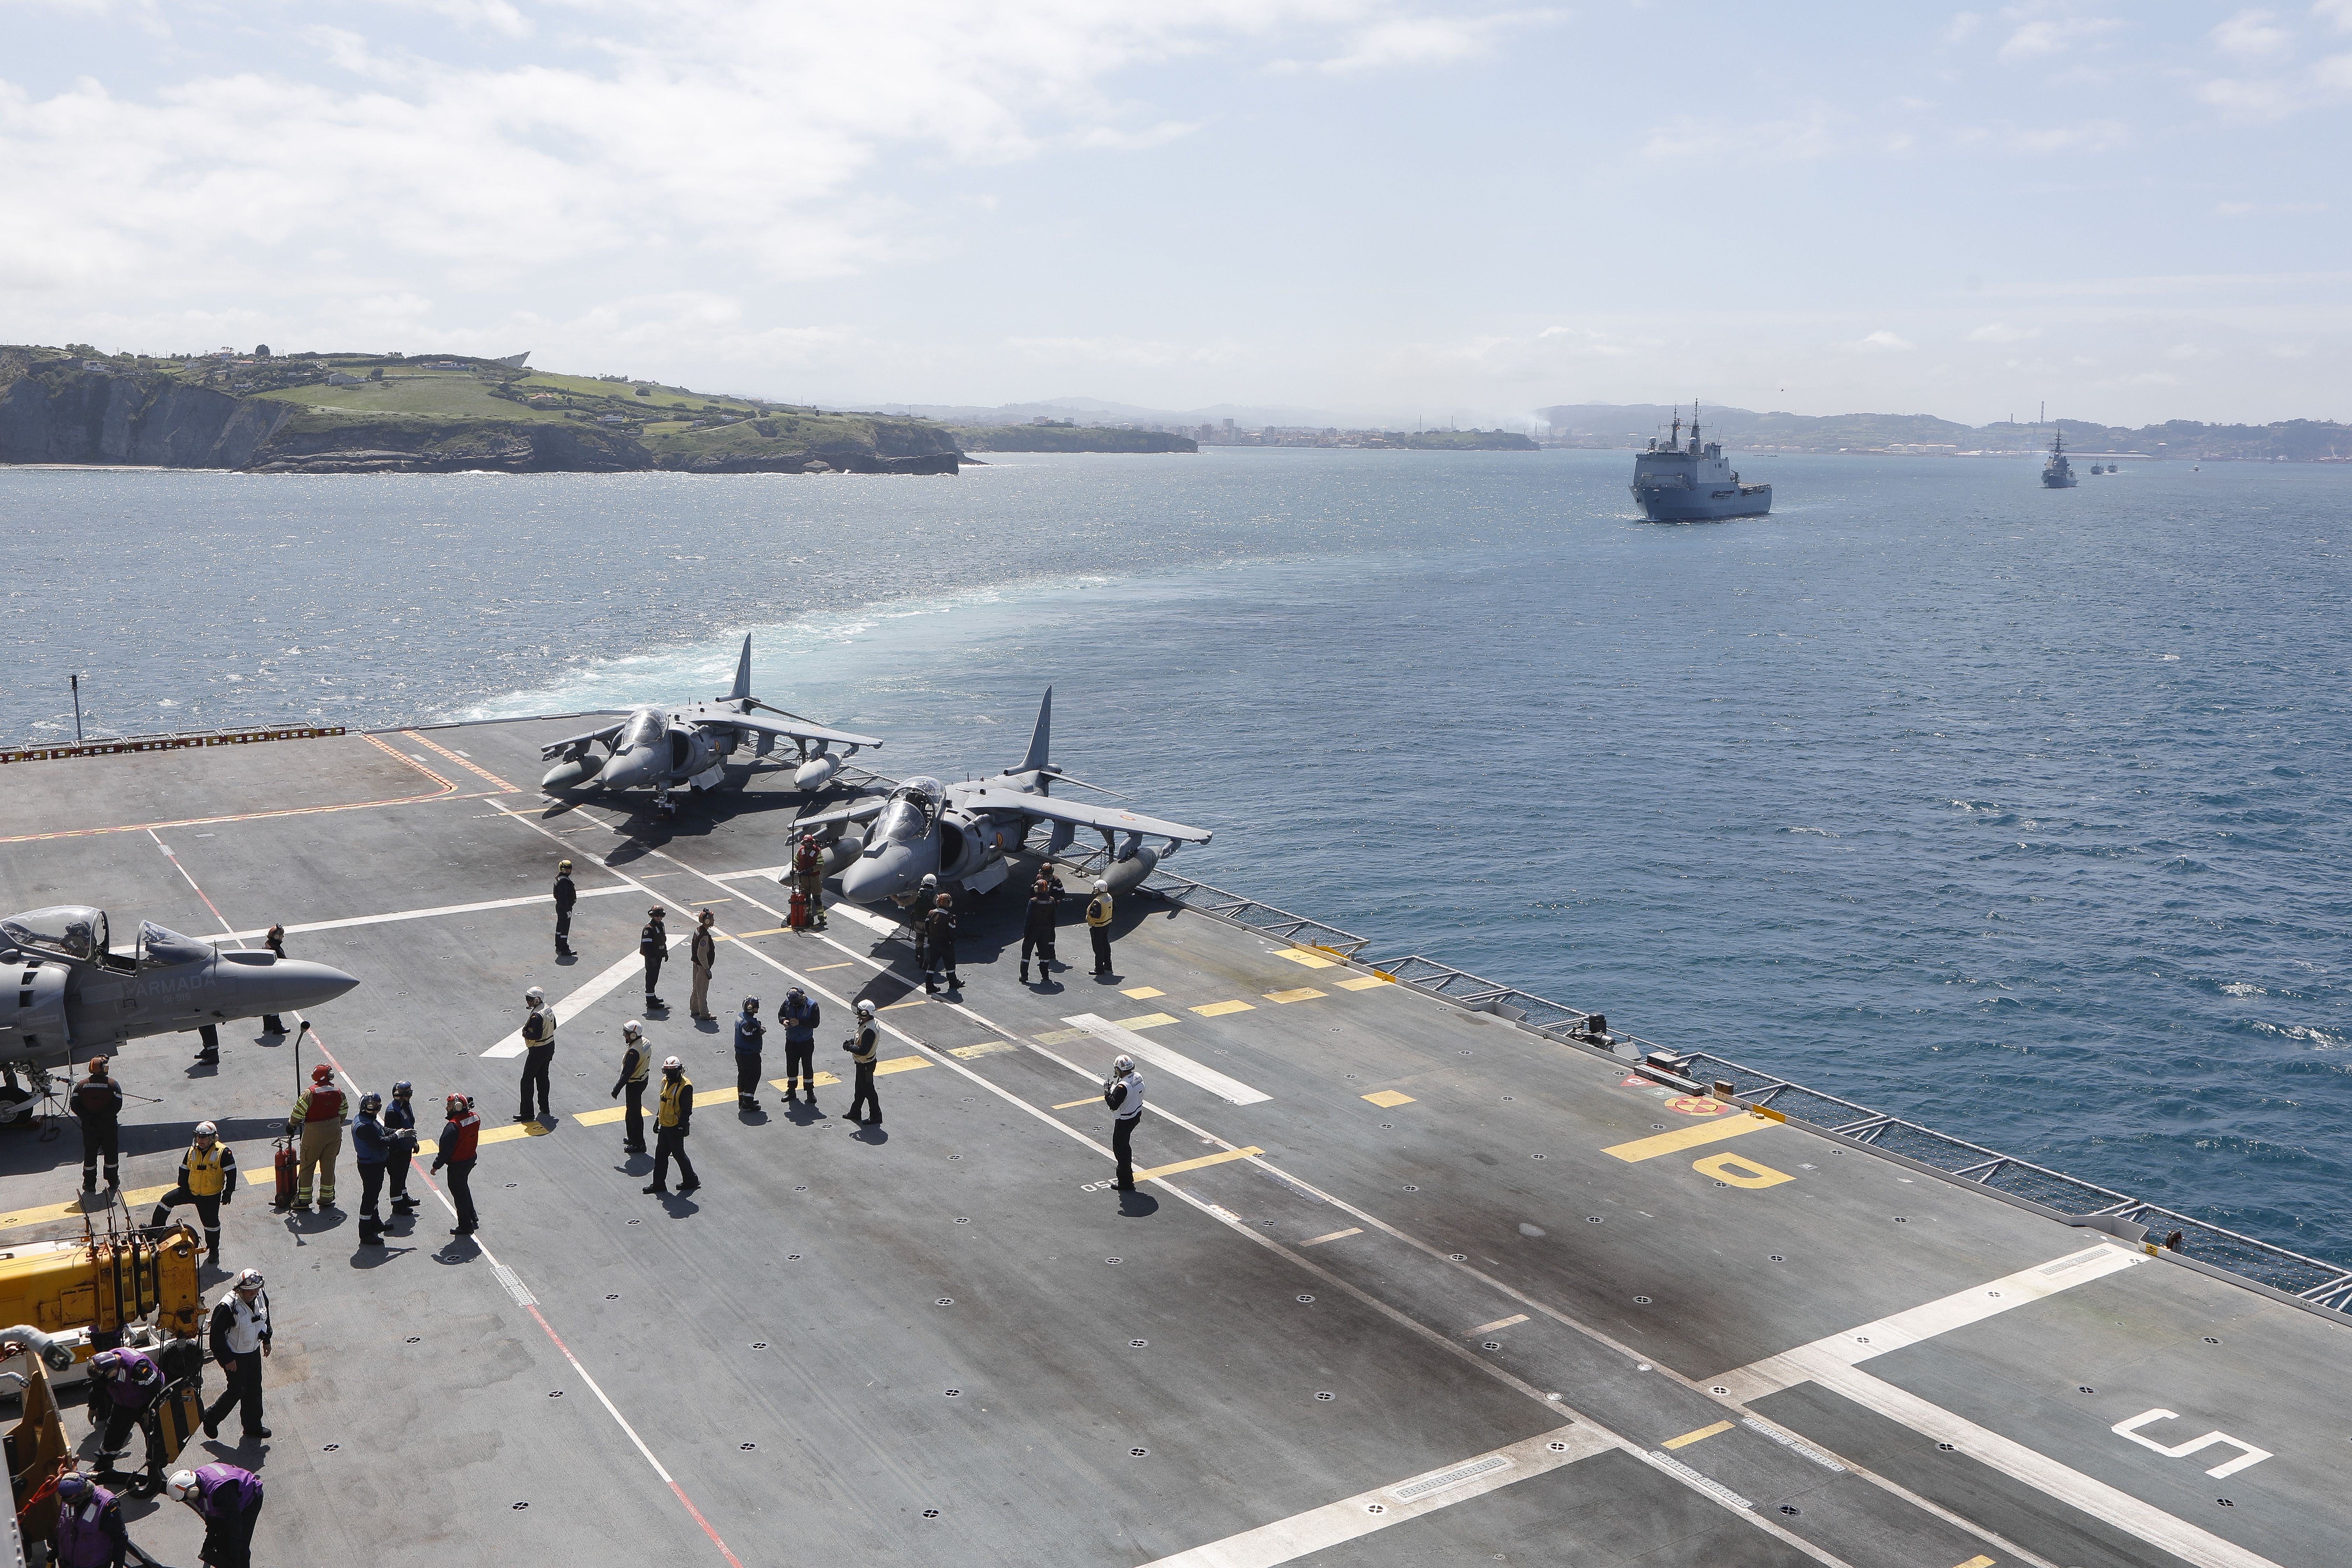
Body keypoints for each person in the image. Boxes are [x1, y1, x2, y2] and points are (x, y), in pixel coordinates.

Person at [150, 1121, 237, 1263]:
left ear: (213, 1138)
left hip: (210, 1196)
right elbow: (184, 1169)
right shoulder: (192, 1151)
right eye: (198, 1137)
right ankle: (155, 1230)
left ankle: (214, 1250)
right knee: (166, 1201)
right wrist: (183, 1187)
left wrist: (228, 1193)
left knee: (211, 1224)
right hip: (191, 1191)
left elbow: (232, 1173)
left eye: (204, 1137)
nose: (200, 1140)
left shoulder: (223, 1153)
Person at [200, 1269, 270, 1443]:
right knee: (237, 1390)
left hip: (253, 1352)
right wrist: (227, 1360)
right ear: (240, 1288)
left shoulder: (260, 1296)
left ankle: (252, 1426)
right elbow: (216, 1337)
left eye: (256, 1289)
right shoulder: (227, 1307)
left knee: (254, 1389)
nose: (253, 1293)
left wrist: (267, 1339)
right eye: (249, 1290)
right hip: (235, 1356)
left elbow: (265, 1319)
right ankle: (211, 1418)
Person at [167, 1464, 263, 1568]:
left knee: (240, 1551)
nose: (188, 1501)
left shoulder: (220, 1490)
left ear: (191, 1492)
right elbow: (210, 1512)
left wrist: (234, 1559)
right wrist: (210, 1539)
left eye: (186, 1498)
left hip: (249, 1500)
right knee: (222, 1544)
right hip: (229, 1503)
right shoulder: (199, 1482)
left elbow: (235, 1525)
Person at [86, 1349, 163, 1469]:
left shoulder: (138, 1367)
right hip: (124, 1403)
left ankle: (155, 1471)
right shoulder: (104, 1365)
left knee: (154, 1438)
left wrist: (151, 1411)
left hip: (146, 1404)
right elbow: (98, 1388)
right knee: (113, 1434)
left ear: (112, 1372)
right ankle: (103, 1464)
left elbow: (158, 1388)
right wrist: (93, 1407)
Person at [287, 1063, 345, 1213]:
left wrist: (291, 1125)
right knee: (329, 1165)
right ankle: (327, 1198)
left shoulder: (310, 1093)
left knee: (307, 1164)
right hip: (335, 1132)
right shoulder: (338, 1091)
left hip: (314, 1132)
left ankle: (304, 1200)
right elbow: (344, 1110)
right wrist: (337, 1123)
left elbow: (298, 1112)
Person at [52, 1470, 130, 1568]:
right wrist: (52, 1557)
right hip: (68, 1564)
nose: (71, 1505)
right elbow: (62, 1529)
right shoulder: (68, 1500)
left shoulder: (106, 1506)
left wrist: (118, 1566)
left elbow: (120, 1538)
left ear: (84, 1491)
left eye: (74, 1502)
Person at [643, 1057, 698, 1196]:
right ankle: (659, 1184)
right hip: (665, 1124)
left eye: (672, 1071)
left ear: (680, 1070)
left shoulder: (686, 1086)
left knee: (679, 1154)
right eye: (667, 1071)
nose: (670, 1075)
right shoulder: (665, 1082)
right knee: (661, 1155)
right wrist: (658, 1120)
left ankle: (691, 1180)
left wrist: (682, 1127)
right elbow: (663, 1101)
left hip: (676, 1126)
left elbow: (687, 1110)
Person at [429, 1093, 480, 1236]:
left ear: (457, 1108)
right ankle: (472, 1215)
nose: (447, 1108)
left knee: (459, 1193)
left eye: (449, 1106)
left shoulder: (453, 1127)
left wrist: (435, 1166)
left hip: (458, 1164)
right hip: (470, 1159)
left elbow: (445, 1151)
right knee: (463, 1187)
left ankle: (465, 1225)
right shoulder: (475, 1118)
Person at [72, 1056, 123, 1194]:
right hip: (109, 1127)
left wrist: (88, 1118)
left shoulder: (81, 1086)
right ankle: (113, 1181)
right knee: (111, 1153)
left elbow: (74, 1105)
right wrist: (103, 1118)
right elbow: (117, 1105)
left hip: (90, 1128)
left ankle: (89, 1184)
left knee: (90, 1154)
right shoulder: (113, 1085)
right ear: (105, 1069)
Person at [351, 1093, 390, 1246]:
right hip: (370, 1166)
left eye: (378, 1108)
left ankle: (375, 1222)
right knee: (369, 1198)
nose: (376, 1112)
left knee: (374, 1196)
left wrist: (395, 1131)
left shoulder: (368, 1121)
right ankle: (366, 1233)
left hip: (375, 1164)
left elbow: (382, 1131)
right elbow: (379, 1143)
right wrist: (398, 1136)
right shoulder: (365, 1126)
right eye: (374, 1109)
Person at [1104, 1054, 1145, 1192]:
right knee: (1125, 1147)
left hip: (1125, 1120)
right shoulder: (1138, 1077)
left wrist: (1107, 1093)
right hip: (1135, 1115)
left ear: (1120, 1070)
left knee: (1120, 1150)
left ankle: (1125, 1181)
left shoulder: (1123, 1087)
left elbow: (1114, 1104)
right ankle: (1127, 1176)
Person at [609, 1021, 651, 1154]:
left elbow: (627, 1073)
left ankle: (639, 1144)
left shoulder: (634, 1052)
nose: (625, 1037)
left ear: (634, 1035)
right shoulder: (645, 1042)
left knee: (635, 1115)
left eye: (627, 1035)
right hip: (643, 1079)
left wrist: (617, 1089)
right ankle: (632, 1137)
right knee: (631, 1112)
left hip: (635, 1084)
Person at [515, 986, 555, 1123]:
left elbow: (536, 1036)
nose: (528, 1002)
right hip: (550, 1047)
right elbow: (554, 1026)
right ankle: (545, 1107)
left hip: (538, 1050)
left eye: (530, 999)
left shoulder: (537, 1016)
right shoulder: (547, 1008)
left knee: (526, 1080)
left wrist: (525, 1033)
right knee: (543, 1077)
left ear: (537, 1000)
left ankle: (527, 1113)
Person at [384, 1081, 420, 1214]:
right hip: (397, 1151)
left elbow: (410, 1124)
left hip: (406, 1148)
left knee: (403, 1175)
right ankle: (397, 1204)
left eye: (410, 1094)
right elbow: (389, 1131)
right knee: (397, 1177)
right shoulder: (393, 1111)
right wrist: (396, 1148)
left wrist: (414, 1142)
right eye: (407, 1094)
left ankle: (404, 1197)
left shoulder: (406, 1106)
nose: (409, 1097)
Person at [779, 987, 820, 1105]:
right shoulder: (787, 1003)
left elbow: (815, 1023)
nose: (794, 1005)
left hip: (806, 1042)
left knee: (807, 1067)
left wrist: (800, 1022)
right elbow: (781, 1015)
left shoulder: (813, 1005)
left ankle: (810, 1092)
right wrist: (784, 1021)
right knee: (791, 1067)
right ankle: (791, 1090)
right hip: (791, 1041)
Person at [844, 999, 880, 1126]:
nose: (858, 1014)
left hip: (866, 1065)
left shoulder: (869, 1030)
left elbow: (864, 1050)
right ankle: (855, 1111)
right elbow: (860, 1040)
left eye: (860, 1012)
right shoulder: (869, 1023)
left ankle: (876, 1115)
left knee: (869, 1091)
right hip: (863, 1064)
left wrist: (850, 1048)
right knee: (860, 1089)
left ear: (865, 1013)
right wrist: (852, 1042)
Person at [1019, 874, 1058, 984]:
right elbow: (1054, 919)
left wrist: (1026, 934)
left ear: (1037, 889)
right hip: (1046, 932)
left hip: (1033, 931)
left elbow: (1028, 919)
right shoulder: (1052, 901)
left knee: (1026, 955)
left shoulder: (1033, 901)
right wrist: (1050, 930)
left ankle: (1024, 976)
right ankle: (1045, 975)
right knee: (1044, 954)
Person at [923, 891, 959, 994]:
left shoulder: (931, 913)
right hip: (946, 945)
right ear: (948, 904)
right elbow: (952, 933)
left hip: (934, 943)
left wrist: (932, 937)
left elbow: (927, 927)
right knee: (950, 965)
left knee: (932, 965)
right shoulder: (951, 917)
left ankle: (929, 986)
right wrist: (954, 940)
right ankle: (953, 982)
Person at [733, 996, 764, 1110]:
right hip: (749, 1055)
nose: (758, 1008)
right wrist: (759, 1032)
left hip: (740, 1054)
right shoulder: (748, 1023)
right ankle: (748, 1101)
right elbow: (749, 1036)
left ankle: (742, 1099)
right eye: (756, 1006)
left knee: (743, 1076)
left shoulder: (741, 1016)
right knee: (754, 1076)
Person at [258, 923, 288, 1034]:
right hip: (272, 980)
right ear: (276, 937)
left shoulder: (268, 944)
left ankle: (268, 1026)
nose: (282, 937)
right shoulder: (274, 949)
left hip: (265, 980)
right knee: (274, 1004)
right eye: (281, 935)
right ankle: (277, 1027)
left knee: (267, 1004)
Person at [794, 831, 827, 929]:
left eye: (810, 843)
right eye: (806, 843)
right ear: (804, 844)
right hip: (804, 879)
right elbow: (796, 862)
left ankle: (821, 918)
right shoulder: (800, 851)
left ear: (812, 843)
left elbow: (820, 865)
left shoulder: (818, 851)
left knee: (817, 899)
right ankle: (808, 916)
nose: (808, 845)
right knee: (806, 899)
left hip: (814, 879)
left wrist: (811, 870)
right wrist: (795, 870)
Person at [690, 909, 718, 1021]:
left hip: (696, 964)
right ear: (707, 921)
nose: (713, 921)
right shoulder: (705, 936)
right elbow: (702, 954)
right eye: (711, 919)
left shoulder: (698, 930)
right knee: (702, 991)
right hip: (702, 966)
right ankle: (704, 1013)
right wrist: (707, 969)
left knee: (696, 989)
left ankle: (694, 1009)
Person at [640, 905, 669, 1011]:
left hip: (658, 956)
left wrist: (665, 952)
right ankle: (650, 1001)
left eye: (660, 916)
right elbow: (647, 947)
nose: (658, 918)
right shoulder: (649, 929)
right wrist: (652, 959)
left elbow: (663, 940)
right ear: (652, 916)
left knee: (655, 977)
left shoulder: (661, 925)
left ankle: (653, 997)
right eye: (656, 916)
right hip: (652, 958)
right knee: (651, 978)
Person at [1087, 880, 1115, 975]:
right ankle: (1108, 965)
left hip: (1098, 926)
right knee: (1106, 944)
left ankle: (1099, 968)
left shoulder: (1098, 901)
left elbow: (1096, 915)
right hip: (1107, 924)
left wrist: (1090, 913)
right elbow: (1114, 909)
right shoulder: (1109, 897)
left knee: (1098, 948)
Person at [553, 858, 578, 958]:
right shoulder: (564, 882)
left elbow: (557, 895)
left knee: (560, 926)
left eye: (570, 868)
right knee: (565, 928)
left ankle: (559, 945)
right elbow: (563, 897)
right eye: (568, 869)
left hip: (560, 907)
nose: (570, 870)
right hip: (564, 908)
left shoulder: (559, 879)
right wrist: (568, 910)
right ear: (563, 870)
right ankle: (564, 948)